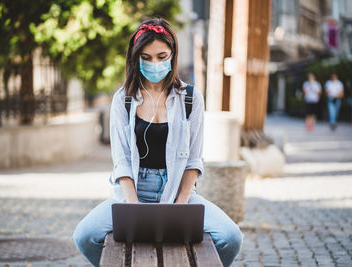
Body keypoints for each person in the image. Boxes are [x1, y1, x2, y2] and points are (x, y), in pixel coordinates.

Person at [72, 17, 243, 267]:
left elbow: (194, 160)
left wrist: (180, 207)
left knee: (230, 237)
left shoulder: (190, 98)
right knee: (84, 236)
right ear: (135, 58)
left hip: (178, 190)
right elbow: (121, 160)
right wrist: (133, 209)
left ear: (173, 55)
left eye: (162, 56)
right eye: (147, 57)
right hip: (133, 190)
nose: (155, 63)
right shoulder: (124, 100)